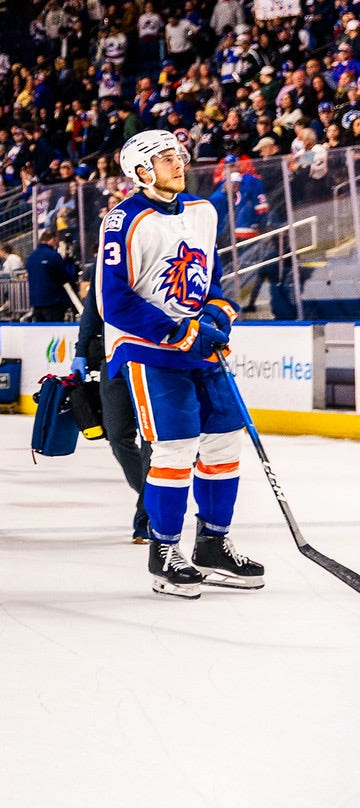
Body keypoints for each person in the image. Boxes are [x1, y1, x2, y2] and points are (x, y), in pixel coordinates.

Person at [100, 130, 261, 598]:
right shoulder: (123, 220)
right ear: (141, 171)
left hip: (198, 349)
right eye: (166, 158)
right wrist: (178, 331)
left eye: (179, 156)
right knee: (174, 448)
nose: (178, 163)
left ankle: (213, 544)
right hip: (148, 350)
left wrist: (217, 313)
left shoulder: (202, 210)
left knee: (224, 441)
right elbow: (114, 301)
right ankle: (164, 551)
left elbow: (210, 277)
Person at [74, 277, 149, 542]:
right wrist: (81, 350)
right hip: (113, 358)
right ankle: (154, 498)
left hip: (152, 355)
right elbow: (92, 311)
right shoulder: (106, 263)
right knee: (117, 435)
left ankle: (146, 516)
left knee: (151, 438)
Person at [26, 231, 77, 321]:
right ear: (52, 240)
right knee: (54, 327)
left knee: (40, 327)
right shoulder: (53, 255)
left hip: (36, 301)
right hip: (53, 300)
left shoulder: (31, 256)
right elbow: (63, 276)